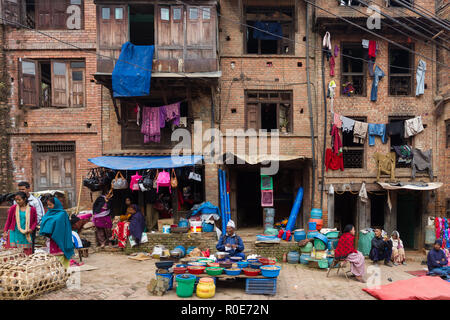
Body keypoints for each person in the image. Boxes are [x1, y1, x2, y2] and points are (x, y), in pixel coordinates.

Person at [40, 197, 74, 269]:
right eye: (48, 205)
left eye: (50, 205)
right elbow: (44, 221)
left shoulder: (62, 214)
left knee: (60, 254)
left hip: (60, 237)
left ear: (56, 204)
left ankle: (63, 271)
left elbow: (62, 226)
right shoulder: (48, 213)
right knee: (52, 256)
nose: (49, 207)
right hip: (50, 238)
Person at [17, 181, 45, 253]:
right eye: (19, 190)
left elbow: (40, 215)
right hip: (19, 227)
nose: (21, 191)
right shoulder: (16, 200)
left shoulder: (35, 201)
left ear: (28, 189)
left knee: (29, 247)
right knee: (19, 247)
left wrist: (34, 227)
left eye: (23, 189)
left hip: (30, 228)